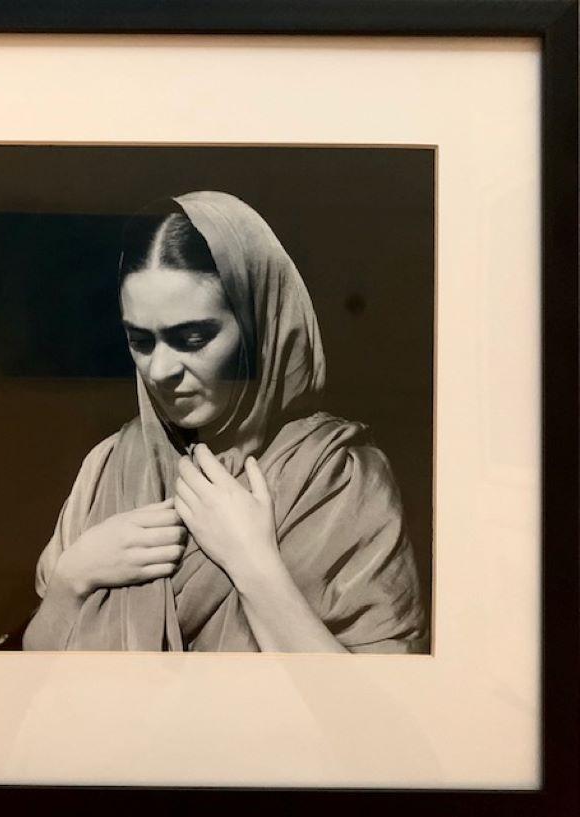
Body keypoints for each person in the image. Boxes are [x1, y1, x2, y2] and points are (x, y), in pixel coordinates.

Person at [22, 190, 427, 652]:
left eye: (192, 337)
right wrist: (72, 578)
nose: (160, 370)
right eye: (141, 340)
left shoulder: (339, 477)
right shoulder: (108, 465)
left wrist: (253, 564)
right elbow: (33, 672)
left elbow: (371, 714)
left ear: (259, 327)